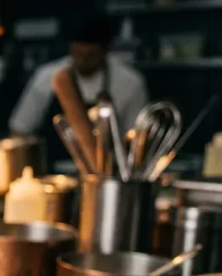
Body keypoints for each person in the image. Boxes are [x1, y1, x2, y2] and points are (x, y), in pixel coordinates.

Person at [8, 12, 148, 164]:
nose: (83, 61)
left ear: (105, 50)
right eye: (78, 54)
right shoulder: (48, 76)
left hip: (106, 175)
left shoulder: (129, 82)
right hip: (52, 174)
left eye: (90, 56)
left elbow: (136, 141)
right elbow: (20, 130)